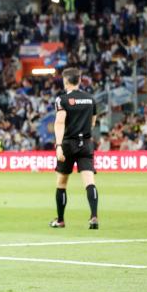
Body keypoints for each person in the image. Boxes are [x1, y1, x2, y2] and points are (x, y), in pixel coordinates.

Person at [51, 67, 100, 229]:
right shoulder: (91, 99)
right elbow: (93, 123)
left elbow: (59, 123)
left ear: (65, 81)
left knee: (62, 183)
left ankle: (60, 220)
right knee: (89, 182)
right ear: (79, 81)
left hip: (68, 144)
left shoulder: (62, 100)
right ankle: (94, 216)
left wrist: (58, 146)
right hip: (86, 144)